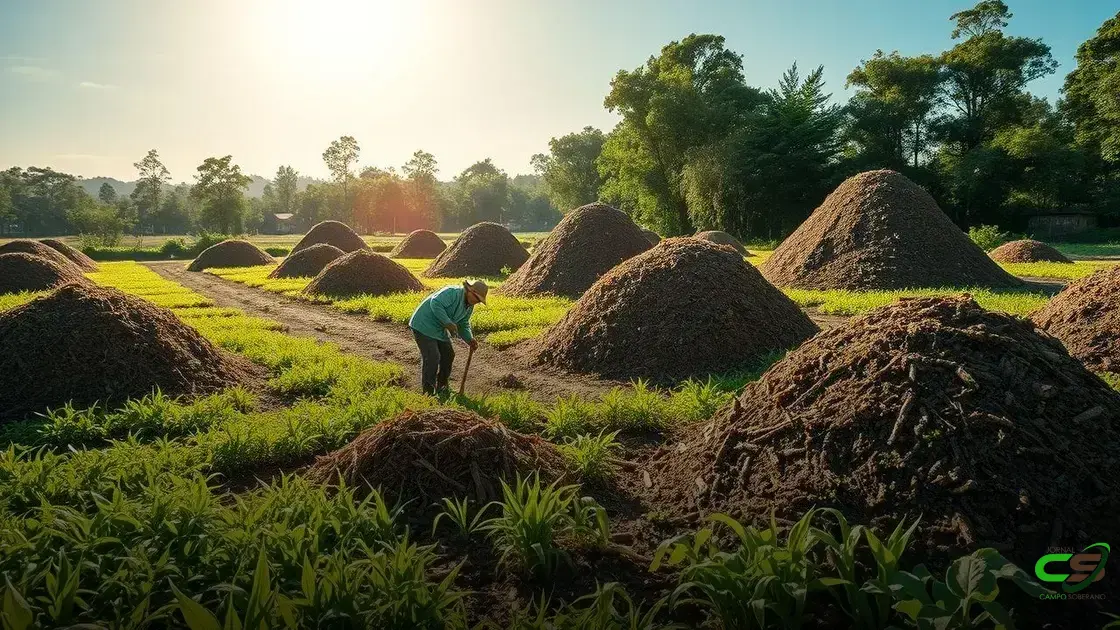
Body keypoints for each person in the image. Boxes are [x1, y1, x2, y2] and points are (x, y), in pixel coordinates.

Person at [408, 279, 488, 395]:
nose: (477, 302)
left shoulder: (469, 306)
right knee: (432, 356)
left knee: (448, 355)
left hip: (439, 330)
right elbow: (435, 303)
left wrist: (469, 339)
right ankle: (428, 392)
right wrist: (447, 322)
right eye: (477, 298)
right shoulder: (452, 292)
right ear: (470, 291)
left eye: (479, 300)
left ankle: (442, 387)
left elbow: (463, 323)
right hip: (423, 324)